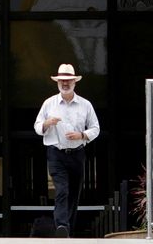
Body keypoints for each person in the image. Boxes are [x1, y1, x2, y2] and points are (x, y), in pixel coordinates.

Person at [34, 63, 100, 238]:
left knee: (74, 194)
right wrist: (47, 124)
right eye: (62, 80)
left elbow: (95, 128)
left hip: (77, 153)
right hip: (56, 153)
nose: (65, 83)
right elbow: (37, 125)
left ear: (74, 83)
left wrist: (81, 135)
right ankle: (61, 225)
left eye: (68, 80)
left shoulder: (85, 105)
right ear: (57, 82)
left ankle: (65, 230)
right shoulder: (49, 103)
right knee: (62, 190)